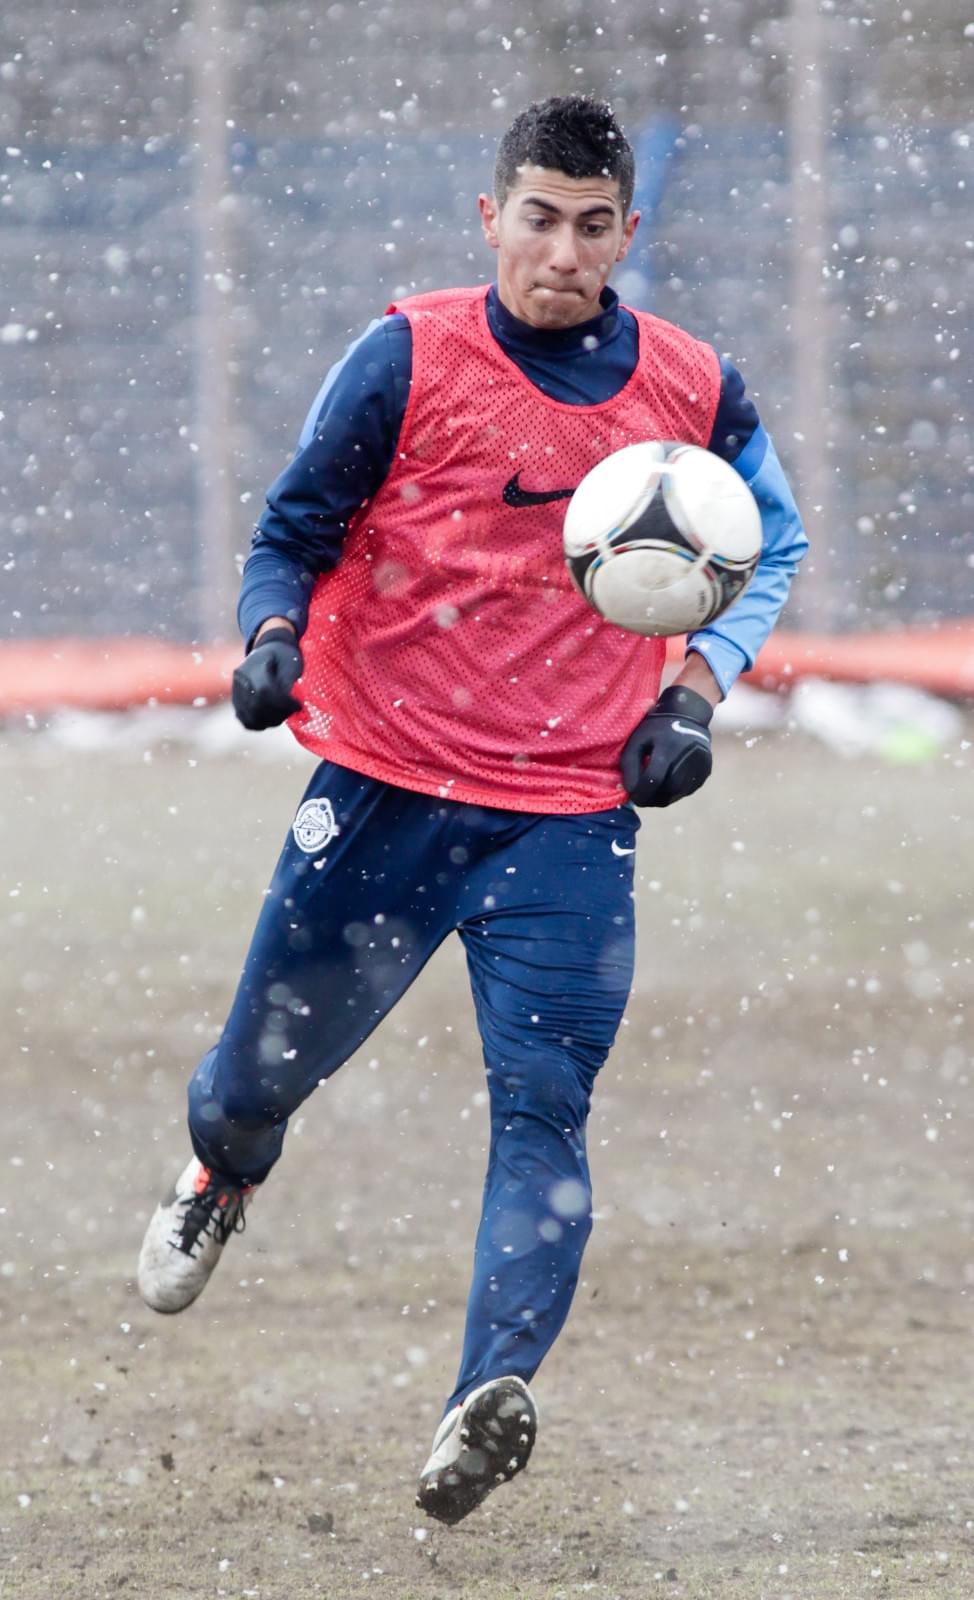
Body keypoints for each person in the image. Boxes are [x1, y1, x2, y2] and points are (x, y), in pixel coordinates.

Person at [138, 94, 807, 1526]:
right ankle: (221, 1173)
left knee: (544, 1115)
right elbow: (293, 528)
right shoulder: (405, 356)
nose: (560, 252)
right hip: (383, 791)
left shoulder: (691, 387)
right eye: (536, 218)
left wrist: (690, 699)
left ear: (627, 235)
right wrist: (269, 639)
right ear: (489, 216)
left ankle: (484, 1396)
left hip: (568, 820)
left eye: (590, 227)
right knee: (253, 1083)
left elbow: (774, 537)